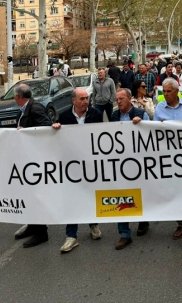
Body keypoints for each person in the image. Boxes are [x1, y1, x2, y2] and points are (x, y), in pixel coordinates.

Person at [51, 88, 103, 253]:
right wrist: (55, 129)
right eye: (82, 99)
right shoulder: (65, 116)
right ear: (73, 101)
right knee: (72, 198)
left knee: (89, 195)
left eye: (86, 98)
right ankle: (71, 236)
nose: (85, 101)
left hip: (90, 164)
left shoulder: (95, 114)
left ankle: (93, 224)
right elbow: (58, 140)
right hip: (72, 166)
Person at [154, 78, 182, 246]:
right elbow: (152, 131)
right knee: (175, 191)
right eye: (164, 92)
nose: (165, 94)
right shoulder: (159, 107)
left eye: (168, 91)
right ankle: (180, 224)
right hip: (169, 156)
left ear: (176, 91)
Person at [12, 84, 53, 248]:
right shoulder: (24, 109)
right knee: (27, 194)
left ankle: (41, 232)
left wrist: (26, 130)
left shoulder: (35, 108)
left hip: (36, 159)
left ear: (18, 97)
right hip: (27, 158)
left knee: (36, 195)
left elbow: (45, 129)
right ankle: (32, 225)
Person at [111, 89, 151, 250]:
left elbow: (152, 134)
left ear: (130, 99)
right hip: (121, 163)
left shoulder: (141, 114)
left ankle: (143, 220)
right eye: (117, 99)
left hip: (139, 162)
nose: (119, 101)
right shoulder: (114, 116)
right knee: (122, 195)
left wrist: (142, 125)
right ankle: (124, 233)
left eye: (121, 98)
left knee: (141, 192)